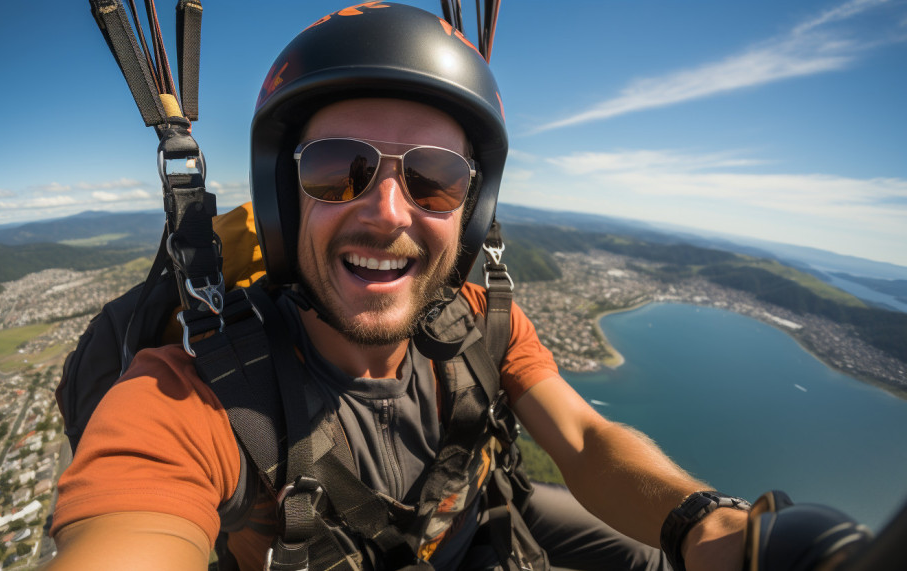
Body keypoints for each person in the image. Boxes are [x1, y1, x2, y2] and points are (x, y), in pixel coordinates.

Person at [46, 4, 750, 570]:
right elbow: (131, 523)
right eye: (336, 169)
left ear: (471, 212)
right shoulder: (199, 395)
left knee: (655, 554)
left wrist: (705, 522)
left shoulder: (484, 323)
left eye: (434, 179)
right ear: (286, 198)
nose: (387, 213)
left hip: (479, 525)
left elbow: (587, 441)